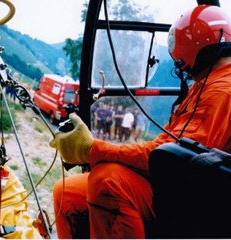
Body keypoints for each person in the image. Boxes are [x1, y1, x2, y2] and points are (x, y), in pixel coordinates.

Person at [49, 5, 231, 239]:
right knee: (66, 191)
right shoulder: (207, 84)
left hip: (195, 200)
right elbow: (169, 149)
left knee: (109, 181)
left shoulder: (219, 91)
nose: (184, 71)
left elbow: (171, 163)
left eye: (182, 63)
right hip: (188, 188)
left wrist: (92, 150)